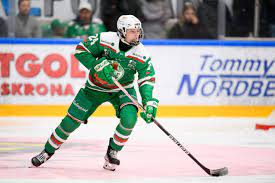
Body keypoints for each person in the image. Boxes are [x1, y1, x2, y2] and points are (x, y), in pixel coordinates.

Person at [31, 15, 158, 171]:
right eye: (132, 31)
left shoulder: (141, 53)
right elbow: (80, 50)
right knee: (69, 123)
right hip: (94, 88)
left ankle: (113, 151)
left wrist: (149, 102)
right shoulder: (105, 39)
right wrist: (97, 64)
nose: (137, 35)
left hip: (122, 90)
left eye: (138, 31)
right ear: (121, 31)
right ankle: (47, 152)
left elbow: (147, 79)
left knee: (130, 118)